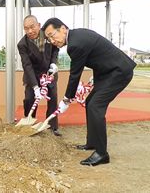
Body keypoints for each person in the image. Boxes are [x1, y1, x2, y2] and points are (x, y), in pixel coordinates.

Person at [42, 18, 136, 166]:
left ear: (62, 28)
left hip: (119, 72)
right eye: (49, 38)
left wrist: (67, 99)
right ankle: (92, 142)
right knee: (89, 102)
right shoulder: (76, 37)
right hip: (107, 73)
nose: (52, 40)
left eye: (52, 35)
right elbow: (98, 56)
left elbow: (75, 74)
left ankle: (102, 153)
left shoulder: (75, 44)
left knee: (95, 106)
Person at [17, 15, 61, 136]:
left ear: (39, 25)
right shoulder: (22, 44)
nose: (30, 31)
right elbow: (27, 65)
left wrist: (53, 63)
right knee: (29, 99)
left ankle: (52, 127)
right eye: (26, 28)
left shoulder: (47, 35)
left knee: (52, 98)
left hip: (49, 73)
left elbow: (55, 49)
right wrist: (35, 87)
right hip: (32, 76)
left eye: (32, 27)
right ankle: (29, 123)